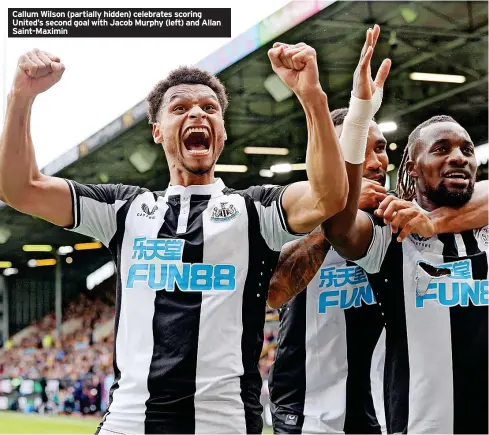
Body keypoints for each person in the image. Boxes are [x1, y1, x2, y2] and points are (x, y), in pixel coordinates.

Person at [0, 32, 354, 434]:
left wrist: (312, 97)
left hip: (223, 424)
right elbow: (19, 188)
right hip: (130, 423)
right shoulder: (124, 209)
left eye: (209, 108)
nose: (198, 114)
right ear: (157, 131)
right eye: (180, 107)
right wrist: (20, 96)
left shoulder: (253, 209)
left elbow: (328, 197)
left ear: (222, 131)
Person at [321, 114, 488, 434]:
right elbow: (339, 228)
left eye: (467, 150)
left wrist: (436, 222)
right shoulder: (390, 229)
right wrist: (356, 113)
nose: (458, 157)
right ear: (411, 167)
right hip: (420, 424)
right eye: (441, 149)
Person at [267, 24, 392, 434]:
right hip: (304, 415)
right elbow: (275, 290)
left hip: (381, 414)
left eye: (382, 148)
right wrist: (337, 211)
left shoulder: (398, 222)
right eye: (362, 149)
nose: (377, 162)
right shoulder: (293, 219)